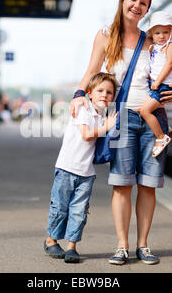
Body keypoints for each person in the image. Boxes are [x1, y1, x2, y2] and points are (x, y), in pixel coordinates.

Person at [69, 0, 172, 265]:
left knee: (148, 185)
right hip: (121, 119)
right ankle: (122, 245)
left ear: (147, 10)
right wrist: (78, 94)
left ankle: (143, 245)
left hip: (153, 119)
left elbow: (168, 74)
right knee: (122, 185)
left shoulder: (152, 40)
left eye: (144, 3)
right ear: (123, 1)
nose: (137, 5)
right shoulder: (106, 35)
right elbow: (92, 70)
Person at [44, 72, 119, 263]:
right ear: (89, 93)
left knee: (79, 210)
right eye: (100, 90)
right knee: (60, 207)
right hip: (67, 168)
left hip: (86, 173)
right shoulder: (83, 109)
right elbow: (86, 134)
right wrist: (107, 127)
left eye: (109, 92)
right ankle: (51, 240)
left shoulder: (104, 116)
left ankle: (71, 247)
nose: (104, 95)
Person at [139, 11, 172, 157]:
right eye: (157, 33)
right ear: (152, 34)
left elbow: (169, 64)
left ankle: (161, 137)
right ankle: (166, 129)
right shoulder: (155, 47)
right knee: (151, 109)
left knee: (145, 110)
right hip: (156, 83)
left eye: (165, 32)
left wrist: (157, 81)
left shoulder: (171, 46)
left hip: (163, 85)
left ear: (171, 32)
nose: (161, 36)